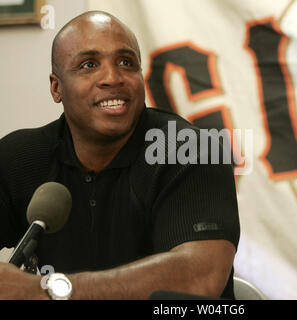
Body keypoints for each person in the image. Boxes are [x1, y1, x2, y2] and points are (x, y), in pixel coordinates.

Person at [0, 11, 240, 299]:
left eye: (126, 63)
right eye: (89, 65)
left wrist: (47, 291)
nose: (113, 78)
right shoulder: (19, 157)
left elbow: (200, 276)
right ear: (56, 87)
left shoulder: (195, 150)